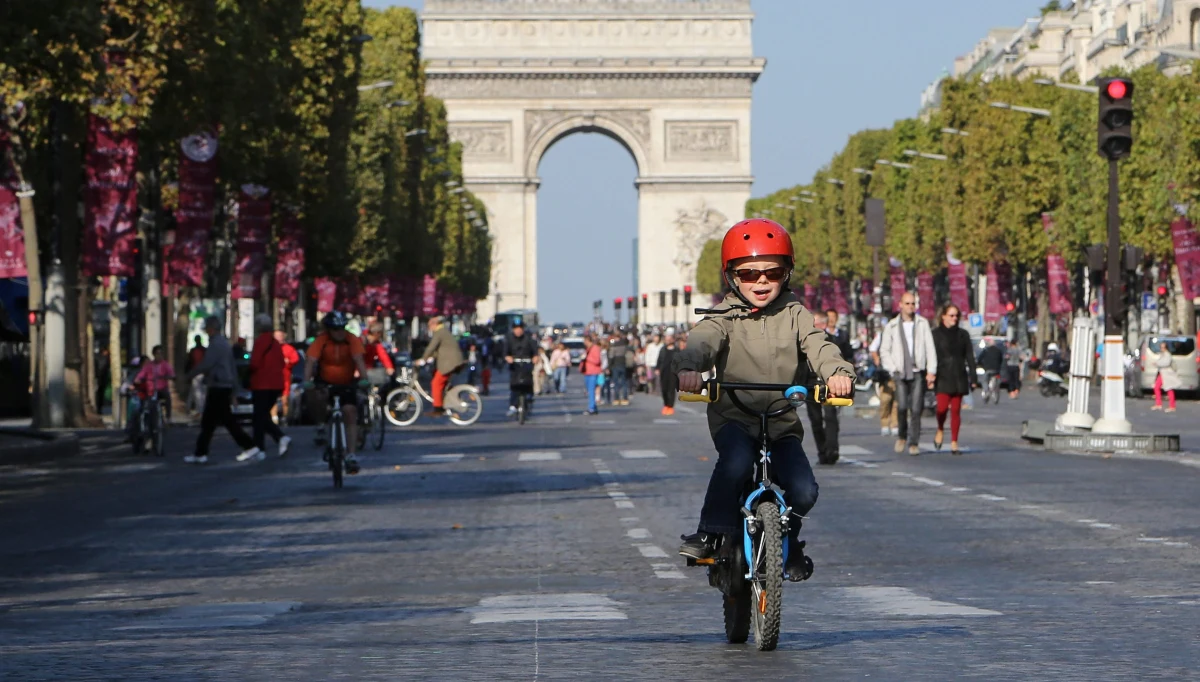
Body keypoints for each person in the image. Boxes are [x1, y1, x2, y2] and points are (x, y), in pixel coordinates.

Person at [674, 218, 855, 576]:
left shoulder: (796, 314)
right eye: (749, 273)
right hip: (734, 418)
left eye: (772, 273)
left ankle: (788, 541)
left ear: (786, 274)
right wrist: (689, 367)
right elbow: (701, 342)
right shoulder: (722, 316)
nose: (761, 281)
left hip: (781, 422)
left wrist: (838, 373)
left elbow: (819, 346)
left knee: (804, 490)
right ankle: (711, 531)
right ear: (732, 276)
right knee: (736, 465)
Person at [186, 316, 260, 464]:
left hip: (218, 385)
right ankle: (201, 452)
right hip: (223, 385)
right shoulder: (224, 344)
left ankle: (249, 446)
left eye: (207, 328)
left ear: (211, 329)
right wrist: (234, 389)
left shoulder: (216, 344)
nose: (206, 331)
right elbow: (232, 367)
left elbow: (207, 363)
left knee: (222, 421)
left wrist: (190, 374)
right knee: (212, 421)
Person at [304, 312, 371, 473]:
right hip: (325, 381)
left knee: (350, 411)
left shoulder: (351, 339)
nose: (339, 332)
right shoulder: (321, 340)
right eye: (335, 329)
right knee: (317, 397)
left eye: (342, 328)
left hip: (346, 382)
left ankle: (351, 454)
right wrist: (307, 381)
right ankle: (321, 424)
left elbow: (359, 360)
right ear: (328, 330)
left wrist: (364, 379)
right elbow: (310, 361)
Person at [879, 292, 938, 456]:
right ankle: (902, 436)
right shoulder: (891, 326)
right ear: (900, 305)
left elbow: (930, 348)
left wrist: (931, 370)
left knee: (916, 408)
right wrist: (892, 368)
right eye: (907, 303)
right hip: (900, 372)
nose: (910, 306)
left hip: (918, 371)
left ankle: (914, 442)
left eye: (913, 303)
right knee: (902, 406)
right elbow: (884, 350)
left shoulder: (922, 324)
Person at [807, 309, 853, 465]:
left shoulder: (834, 339)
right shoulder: (804, 341)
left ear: (822, 324)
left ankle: (832, 450)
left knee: (830, 416)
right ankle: (822, 451)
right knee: (815, 419)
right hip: (810, 382)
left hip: (830, 382)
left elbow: (843, 358)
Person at [931, 305, 978, 456]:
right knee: (942, 408)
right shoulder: (935, 334)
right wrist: (929, 374)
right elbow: (930, 355)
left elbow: (969, 356)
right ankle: (940, 428)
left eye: (956, 315)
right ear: (943, 316)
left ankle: (954, 442)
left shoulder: (963, 335)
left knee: (956, 410)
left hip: (958, 375)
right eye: (951, 315)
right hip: (942, 375)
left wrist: (973, 377)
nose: (954, 318)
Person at [248, 315, 291, 459]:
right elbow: (282, 363)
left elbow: (254, 363)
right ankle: (276, 438)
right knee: (262, 415)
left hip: (262, 384)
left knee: (259, 417)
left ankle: (263, 445)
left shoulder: (260, 341)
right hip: (276, 384)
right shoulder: (275, 343)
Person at [418, 315, 465, 417]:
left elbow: (431, 347)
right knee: (438, 379)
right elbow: (440, 350)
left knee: (436, 383)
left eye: (429, 325)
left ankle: (438, 409)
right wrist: (430, 357)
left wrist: (423, 359)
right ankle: (444, 400)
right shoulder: (444, 332)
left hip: (449, 363)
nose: (429, 327)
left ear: (434, 324)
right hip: (452, 362)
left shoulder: (439, 333)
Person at [869, 326, 898, 437]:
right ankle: (885, 424)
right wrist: (877, 359)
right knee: (885, 400)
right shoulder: (881, 336)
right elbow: (872, 348)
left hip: (898, 372)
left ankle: (895, 425)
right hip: (886, 374)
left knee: (897, 401)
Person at [505, 321, 538, 415]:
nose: (518, 330)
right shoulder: (509, 339)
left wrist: (535, 357)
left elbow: (535, 351)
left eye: (520, 328)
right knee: (514, 385)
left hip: (526, 363)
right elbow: (505, 352)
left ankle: (529, 395)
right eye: (516, 328)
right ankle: (513, 405)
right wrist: (508, 357)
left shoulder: (529, 338)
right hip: (514, 365)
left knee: (528, 380)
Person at [133, 345, 175, 420]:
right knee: (149, 403)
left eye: (161, 353)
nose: (159, 356)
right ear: (154, 354)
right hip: (151, 390)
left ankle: (168, 417)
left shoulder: (165, 365)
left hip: (162, 389)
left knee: (167, 398)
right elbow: (142, 374)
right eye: (157, 353)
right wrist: (138, 379)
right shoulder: (149, 365)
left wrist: (170, 377)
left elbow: (171, 373)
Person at [274, 330, 301, 422]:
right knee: (272, 399)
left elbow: (295, 359)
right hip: (272, 378)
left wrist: (288, 361)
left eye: (280, 336)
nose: (278, 338)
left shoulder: (289, 349)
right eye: (276, 336)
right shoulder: (269, 349)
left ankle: (285, 417)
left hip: (285, 378)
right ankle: (274, 418)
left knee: (285, 399)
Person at [1152, 341, 1179, 413]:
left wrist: (1157, 363)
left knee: (1169, 389)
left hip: (1167, 373)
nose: (1162, 349)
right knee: (1156, 387)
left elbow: (1166, 363)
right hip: (1162, 373)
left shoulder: (1167, 354)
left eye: (1163, 347)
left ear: (1166, 348)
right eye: (1161, 347)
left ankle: (1172, 406)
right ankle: (1158, 404)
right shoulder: (1163, 354)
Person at [580, 335, 603, 415]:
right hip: (587, 372)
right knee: (589, 390)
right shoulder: (588, 349)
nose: (584, 343)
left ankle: (591, 408)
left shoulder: (595, 348)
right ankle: (594, 407)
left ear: (588, 340)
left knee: (591, 390)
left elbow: (597, 360)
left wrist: (587, 358)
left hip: (593, 372)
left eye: (585, 341)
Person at [657, 334, 678, 416]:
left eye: (669, 339)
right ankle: (666, 405)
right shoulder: (663, 349)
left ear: (673, 340)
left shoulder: (677, 350)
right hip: (664, 371)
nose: (667, 341)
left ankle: (670, 406)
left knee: (671, 389)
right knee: (664, 389)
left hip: (673, 372)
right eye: (666, 339)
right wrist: (657, 368)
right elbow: (659, 359)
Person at [608, 333, 630, 405]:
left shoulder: (614, 346)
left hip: (615, 364)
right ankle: (625, 398)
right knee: (624, 382)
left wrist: (609, 366)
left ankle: (616, 399)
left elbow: (611, 356)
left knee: (616, 382)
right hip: (623, 364)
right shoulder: (624, 345)